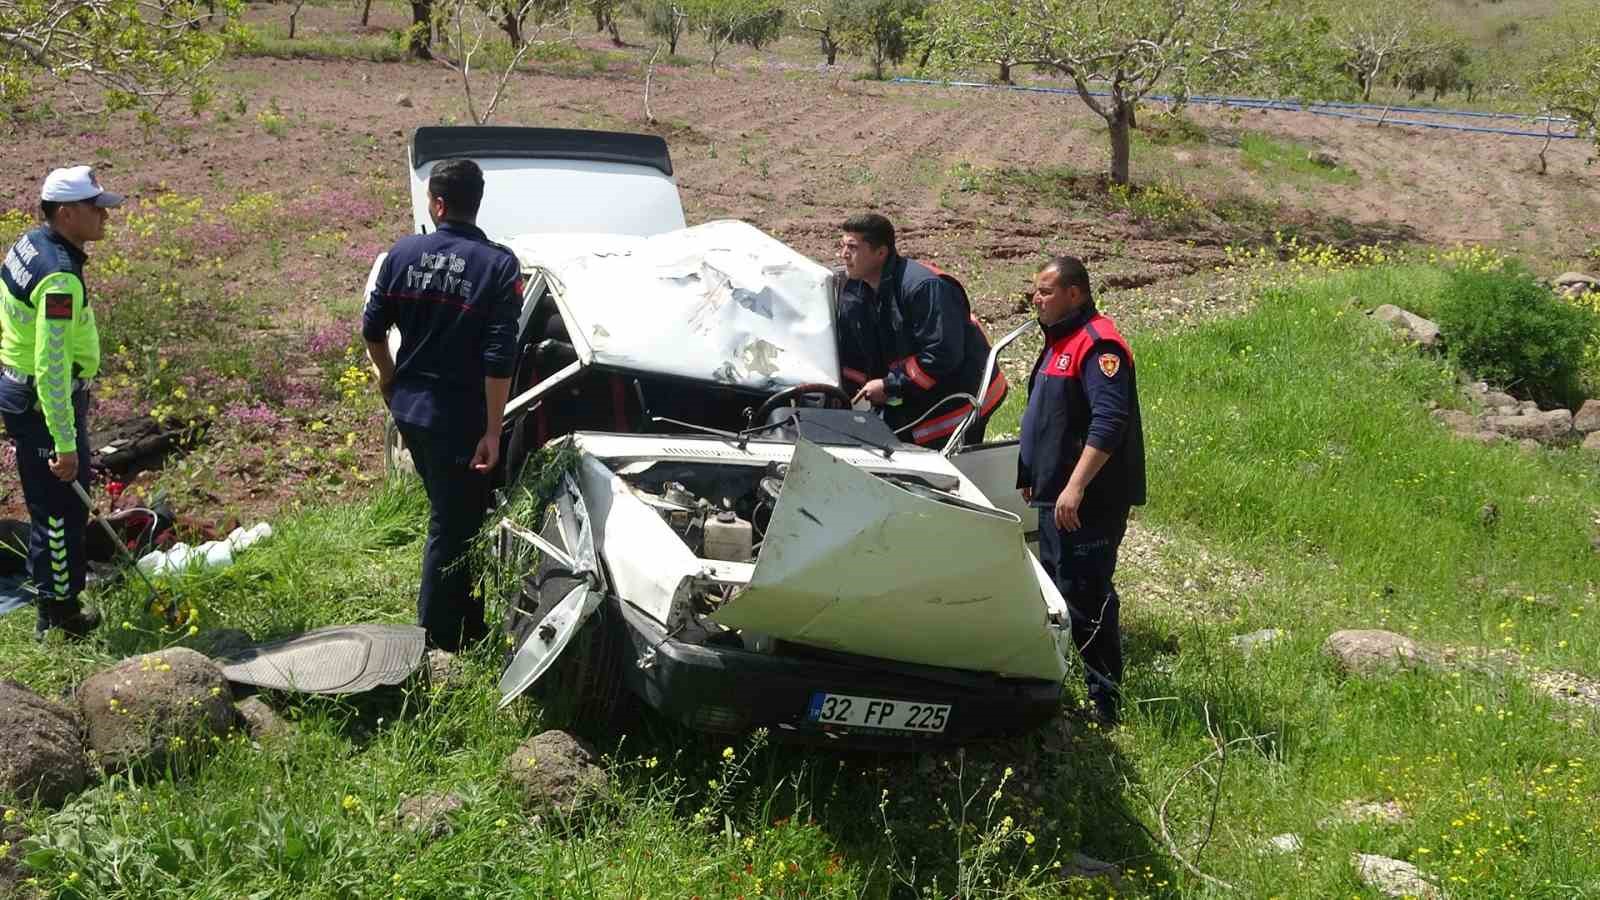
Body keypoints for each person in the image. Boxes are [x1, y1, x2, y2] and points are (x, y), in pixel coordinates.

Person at [362, 159, 520, 652]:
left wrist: (389, 380)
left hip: (410, 410)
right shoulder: (499, 265)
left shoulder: (403, 253)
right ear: (477, 203)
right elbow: (499, 358)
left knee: (457, 514)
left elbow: (372, 329)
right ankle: (434, 642)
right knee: (451, 527)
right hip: (459, 420)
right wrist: (494, 431)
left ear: (437, 203)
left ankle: (468, 622)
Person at [1017, 256, 1145, 725]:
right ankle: (1058, 681)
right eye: (1036, 290)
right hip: (1055, 496)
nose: (1037, 298)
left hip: (1087, 502)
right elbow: (1049, 417)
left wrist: (1073, 487)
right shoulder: (1057, 340)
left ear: (1076, 294)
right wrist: (1030, 474)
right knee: (1056, 592)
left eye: (1047, 291)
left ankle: (1107, 703)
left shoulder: (1099, 344)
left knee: (1086, 596)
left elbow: (1109, 423)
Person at [0, 166, 123, 640]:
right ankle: (57, 620)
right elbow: (52, 366)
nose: (105, 217)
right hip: (43, 401)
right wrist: (64, 441)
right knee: (59, 511)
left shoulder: (28, 243)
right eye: (97, 208)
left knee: (54, 506)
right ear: (67, 213)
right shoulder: (59, 277)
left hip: (20, 389)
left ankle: (57, 606)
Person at [835, 213, 1007, 449]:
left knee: (938, 462)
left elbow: (942, 354)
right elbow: (857, 350)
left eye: (852, 247)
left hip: (963, 394)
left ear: (881, 252)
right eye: (842, 245)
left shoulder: (925, 287)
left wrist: (890, 385)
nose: (843, 254)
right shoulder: (855, 288)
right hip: (916, 389)